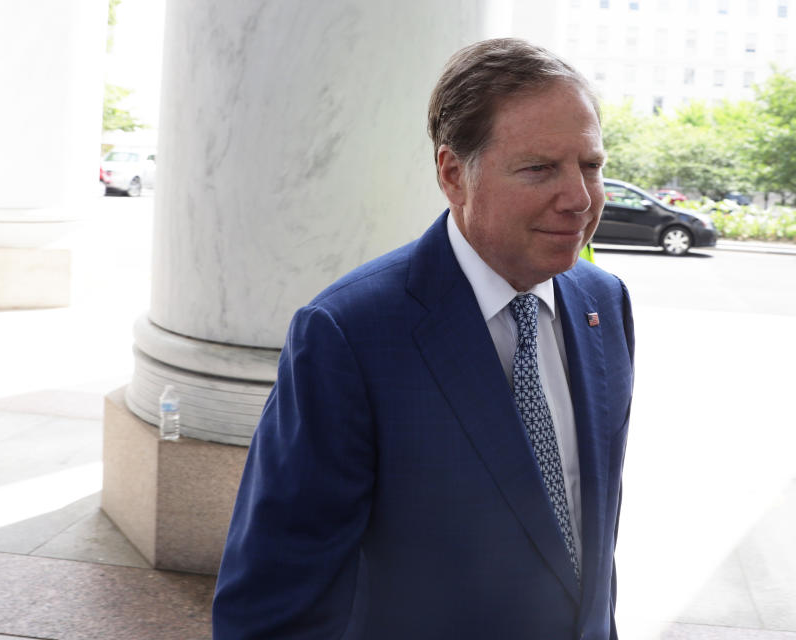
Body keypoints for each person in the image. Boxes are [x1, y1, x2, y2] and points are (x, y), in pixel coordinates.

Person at [213, 38, 635, 640]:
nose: (580, 198)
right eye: (540, 168)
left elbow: (588, 537)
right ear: (453, 173)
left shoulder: (605, 301)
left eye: (590, 165)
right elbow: (275, 599)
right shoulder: (348, 335)